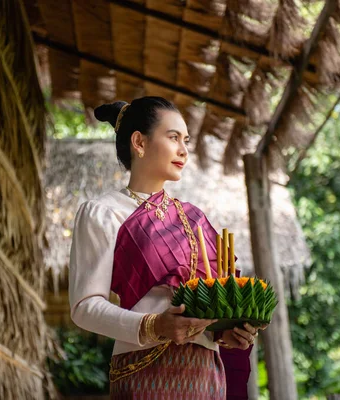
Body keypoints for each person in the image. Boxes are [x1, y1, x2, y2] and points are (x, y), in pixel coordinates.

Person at [69, 97, 263, 399]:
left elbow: (212, 305)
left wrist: (227, 331)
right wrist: (154, 325)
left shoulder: (195, 219)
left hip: (205, 376)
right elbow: (84, 308)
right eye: (173, 137)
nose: (184, 150)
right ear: (139, 142)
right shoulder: (104, 212)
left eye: (185, 140)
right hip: (144, 370)